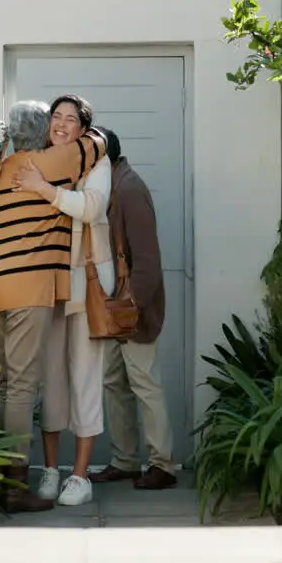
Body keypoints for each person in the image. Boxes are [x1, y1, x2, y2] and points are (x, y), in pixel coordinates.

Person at [0, 100, 109, 513]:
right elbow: (101, 144)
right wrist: (91, 131)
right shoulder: (52, 164)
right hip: (26, 287)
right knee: (20, 387)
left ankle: (2, 480)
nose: (62, 126)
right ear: (44, 129)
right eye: (56, 119)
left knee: (5, 384)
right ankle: (14, 488)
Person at [11, 97, 115, 506]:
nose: (61, 124)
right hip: (46, 281)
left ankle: (80, 476)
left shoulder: (95, 163)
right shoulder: (37, 158)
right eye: (56, 116)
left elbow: (91, 208)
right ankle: (51, 471)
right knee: (50, 379)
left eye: (71, 119)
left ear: (82, 129)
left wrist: (44, 190)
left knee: (85, 376)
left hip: (85, 284)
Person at [88, 128, 177, 490]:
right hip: (112, 309)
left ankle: (164, 465)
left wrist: (132, 308)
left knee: (144, 384)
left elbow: (148, 261)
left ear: (103, 159)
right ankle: (124, 461)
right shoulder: (109, 187)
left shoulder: (129, 190)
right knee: (114, 383)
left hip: (131, 310)